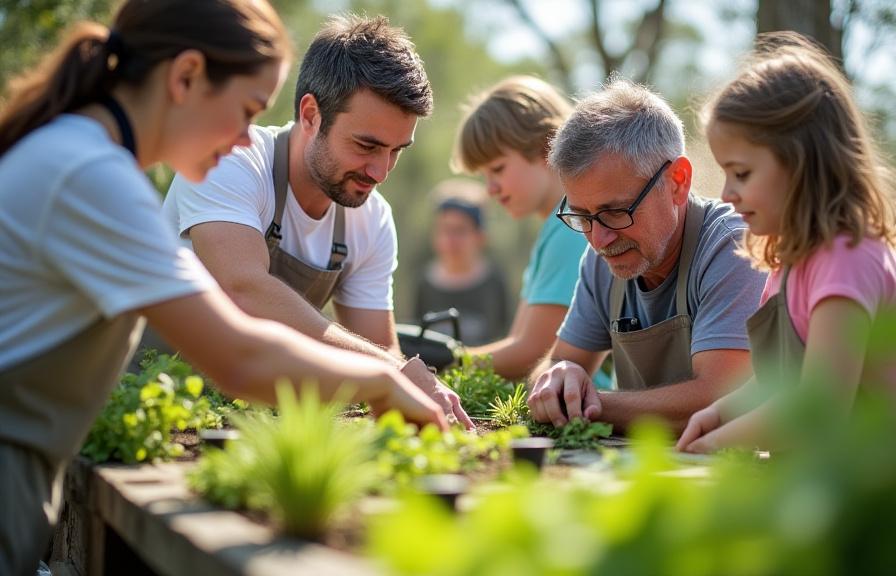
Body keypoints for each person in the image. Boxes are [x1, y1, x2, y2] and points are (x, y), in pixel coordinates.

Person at [0, 3, 447, 574]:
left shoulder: (86, 160)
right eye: (244, 112)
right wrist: (382, 379)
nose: (245, 140)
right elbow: (239, 351)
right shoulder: (90, 176)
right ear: (184, 77)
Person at [162, 14, 470, 426]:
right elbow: (243, 290)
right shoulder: (231, 160)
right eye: (367, 145)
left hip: (248, 422)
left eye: (397, 150)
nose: (380, 172)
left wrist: (410, 388)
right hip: (150, 406)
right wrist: (391, 371)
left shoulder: (372, 220)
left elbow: (377, 348)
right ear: (311, 115)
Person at [677, 33, 896, 454]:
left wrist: (716, 446)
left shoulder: (847, 258)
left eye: (741, 173)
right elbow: (783, 380)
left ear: (802, 163)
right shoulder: (788, 264)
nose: (726, 193)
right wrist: (721, 412)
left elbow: (820, 404)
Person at [527, 77, 768, 432]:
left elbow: (719, 398)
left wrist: (589, 403)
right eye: (583, 216)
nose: (598, 239)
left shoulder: (732, 247)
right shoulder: (601, 262)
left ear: (677, 182)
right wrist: (559, 378)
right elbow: (549, 370)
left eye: (615, 211)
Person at [451, 75, 594, 381]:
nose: (490, 188)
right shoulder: (552, 231)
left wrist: (448, 362)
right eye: (483, 175)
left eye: (498, 169)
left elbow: (533, 352)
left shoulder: (571, 229)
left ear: (547, 146)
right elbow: (518, 344)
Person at [413, 178, 511, 345]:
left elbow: (505, 336)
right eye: (445, 229)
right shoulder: (424, 282)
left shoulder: (495, 281)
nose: (451, 240)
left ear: (480, 236)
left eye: (460, 230)